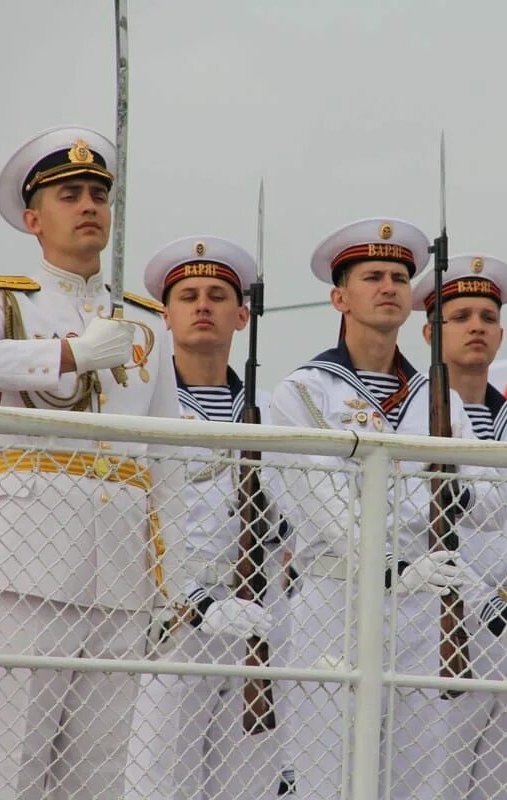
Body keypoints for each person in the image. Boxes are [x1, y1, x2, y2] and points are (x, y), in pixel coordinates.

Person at [0, 125, 186, 798]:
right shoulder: (6, 295)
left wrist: (174, 576)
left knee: (100, 772)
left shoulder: (146, 319)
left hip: (124, 564)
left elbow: (168, 453)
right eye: (70, 194)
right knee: (14, 764)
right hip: (33, 558)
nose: (90, 206)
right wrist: (68, 355)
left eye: (100, 193)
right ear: (34, 218)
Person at [269, 218, 507, 799]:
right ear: (340, 297)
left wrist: (445, 488)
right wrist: (406, 525)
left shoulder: (438, 398)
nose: (389, 286)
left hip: (420, 609)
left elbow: (490, 503)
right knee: (327, 777)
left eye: (399, 277)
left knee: (413, 782)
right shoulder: (307, 390)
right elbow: (327, 503)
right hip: (336, 599)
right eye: (372, 277)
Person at [123, 236, 287, 799]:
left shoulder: (268, 412)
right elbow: (136, 518)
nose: (202, 306)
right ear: (165, 315)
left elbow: (295, 514)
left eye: (218, 295)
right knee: (159, 781)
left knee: (248, 785)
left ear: (242, 314)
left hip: (256, 618)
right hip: (170, 620)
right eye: (188, 295)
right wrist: (194, 599)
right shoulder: (143, 406)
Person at [411, 253, 507, 799]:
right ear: (429, 332)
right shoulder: (413, 417)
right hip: (441, 628)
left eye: (488, 317)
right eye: (461, 315)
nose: (477, 326)